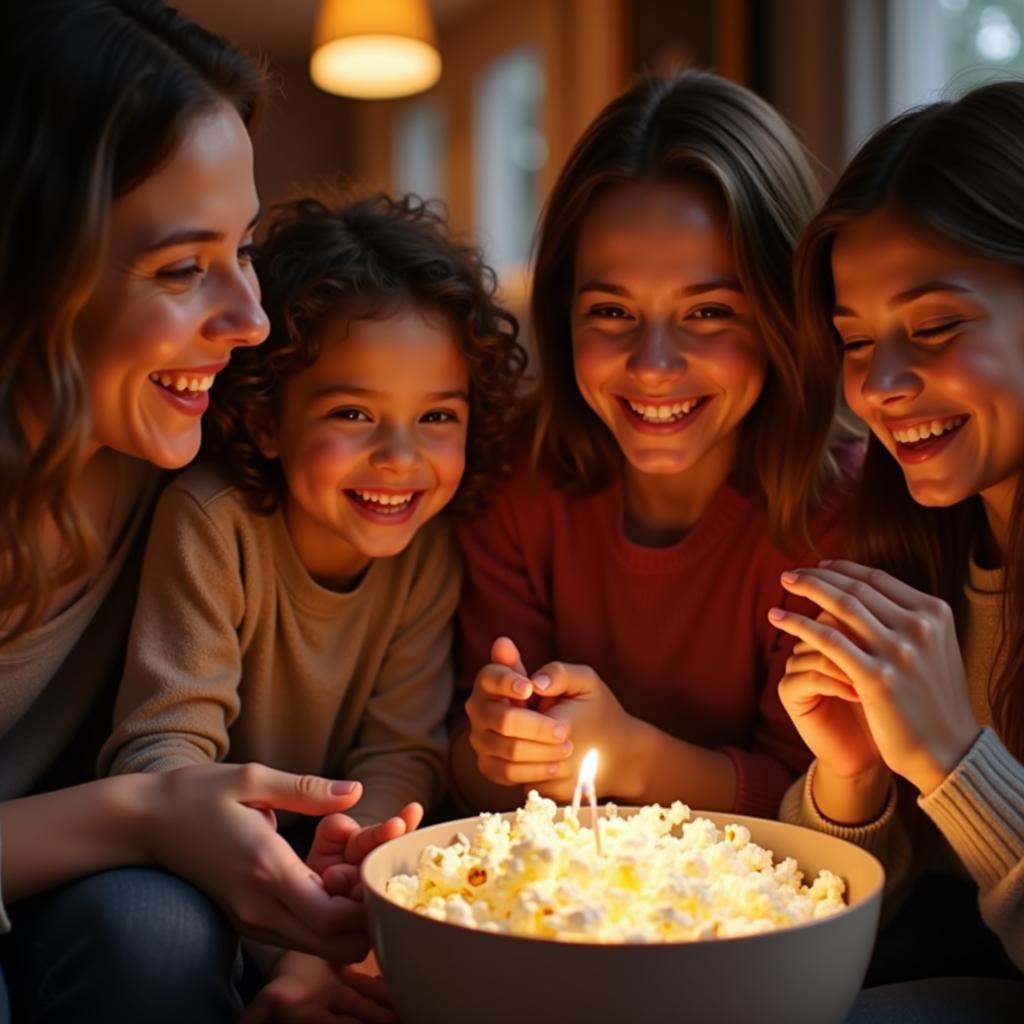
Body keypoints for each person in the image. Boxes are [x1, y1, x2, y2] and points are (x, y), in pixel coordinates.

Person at [0, 3, 373, 1021]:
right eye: (179, 269)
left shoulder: (186, 455)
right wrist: (145, 812)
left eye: (243, 249)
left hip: (66, 884)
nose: (249, 320)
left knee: (155, 933)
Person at [99, 192, 527, 1020]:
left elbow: (400, 755)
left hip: (331, 857)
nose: (400, 458)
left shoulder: (427, 552)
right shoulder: (210, 521)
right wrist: (294, 946)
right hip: (186, 854)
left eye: (437, 415)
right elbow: (161, 759)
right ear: (265, 419)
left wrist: (348, 894)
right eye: (353, 413)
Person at [450, 70, 857, 817]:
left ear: (784, 314)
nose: (654, 365)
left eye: (707, 312)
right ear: (561, 310)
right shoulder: (515, 481)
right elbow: (471, 772)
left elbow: (823, 807)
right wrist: (500, 746)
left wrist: (636, 757)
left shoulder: (839, 520)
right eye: (611, 310)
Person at [772, 81, 1024, 1020]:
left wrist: (958, 760)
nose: (879, 385)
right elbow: (837, 918)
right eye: (854, 339)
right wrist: (852, 782)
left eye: (934, 329)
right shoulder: (921, 546)